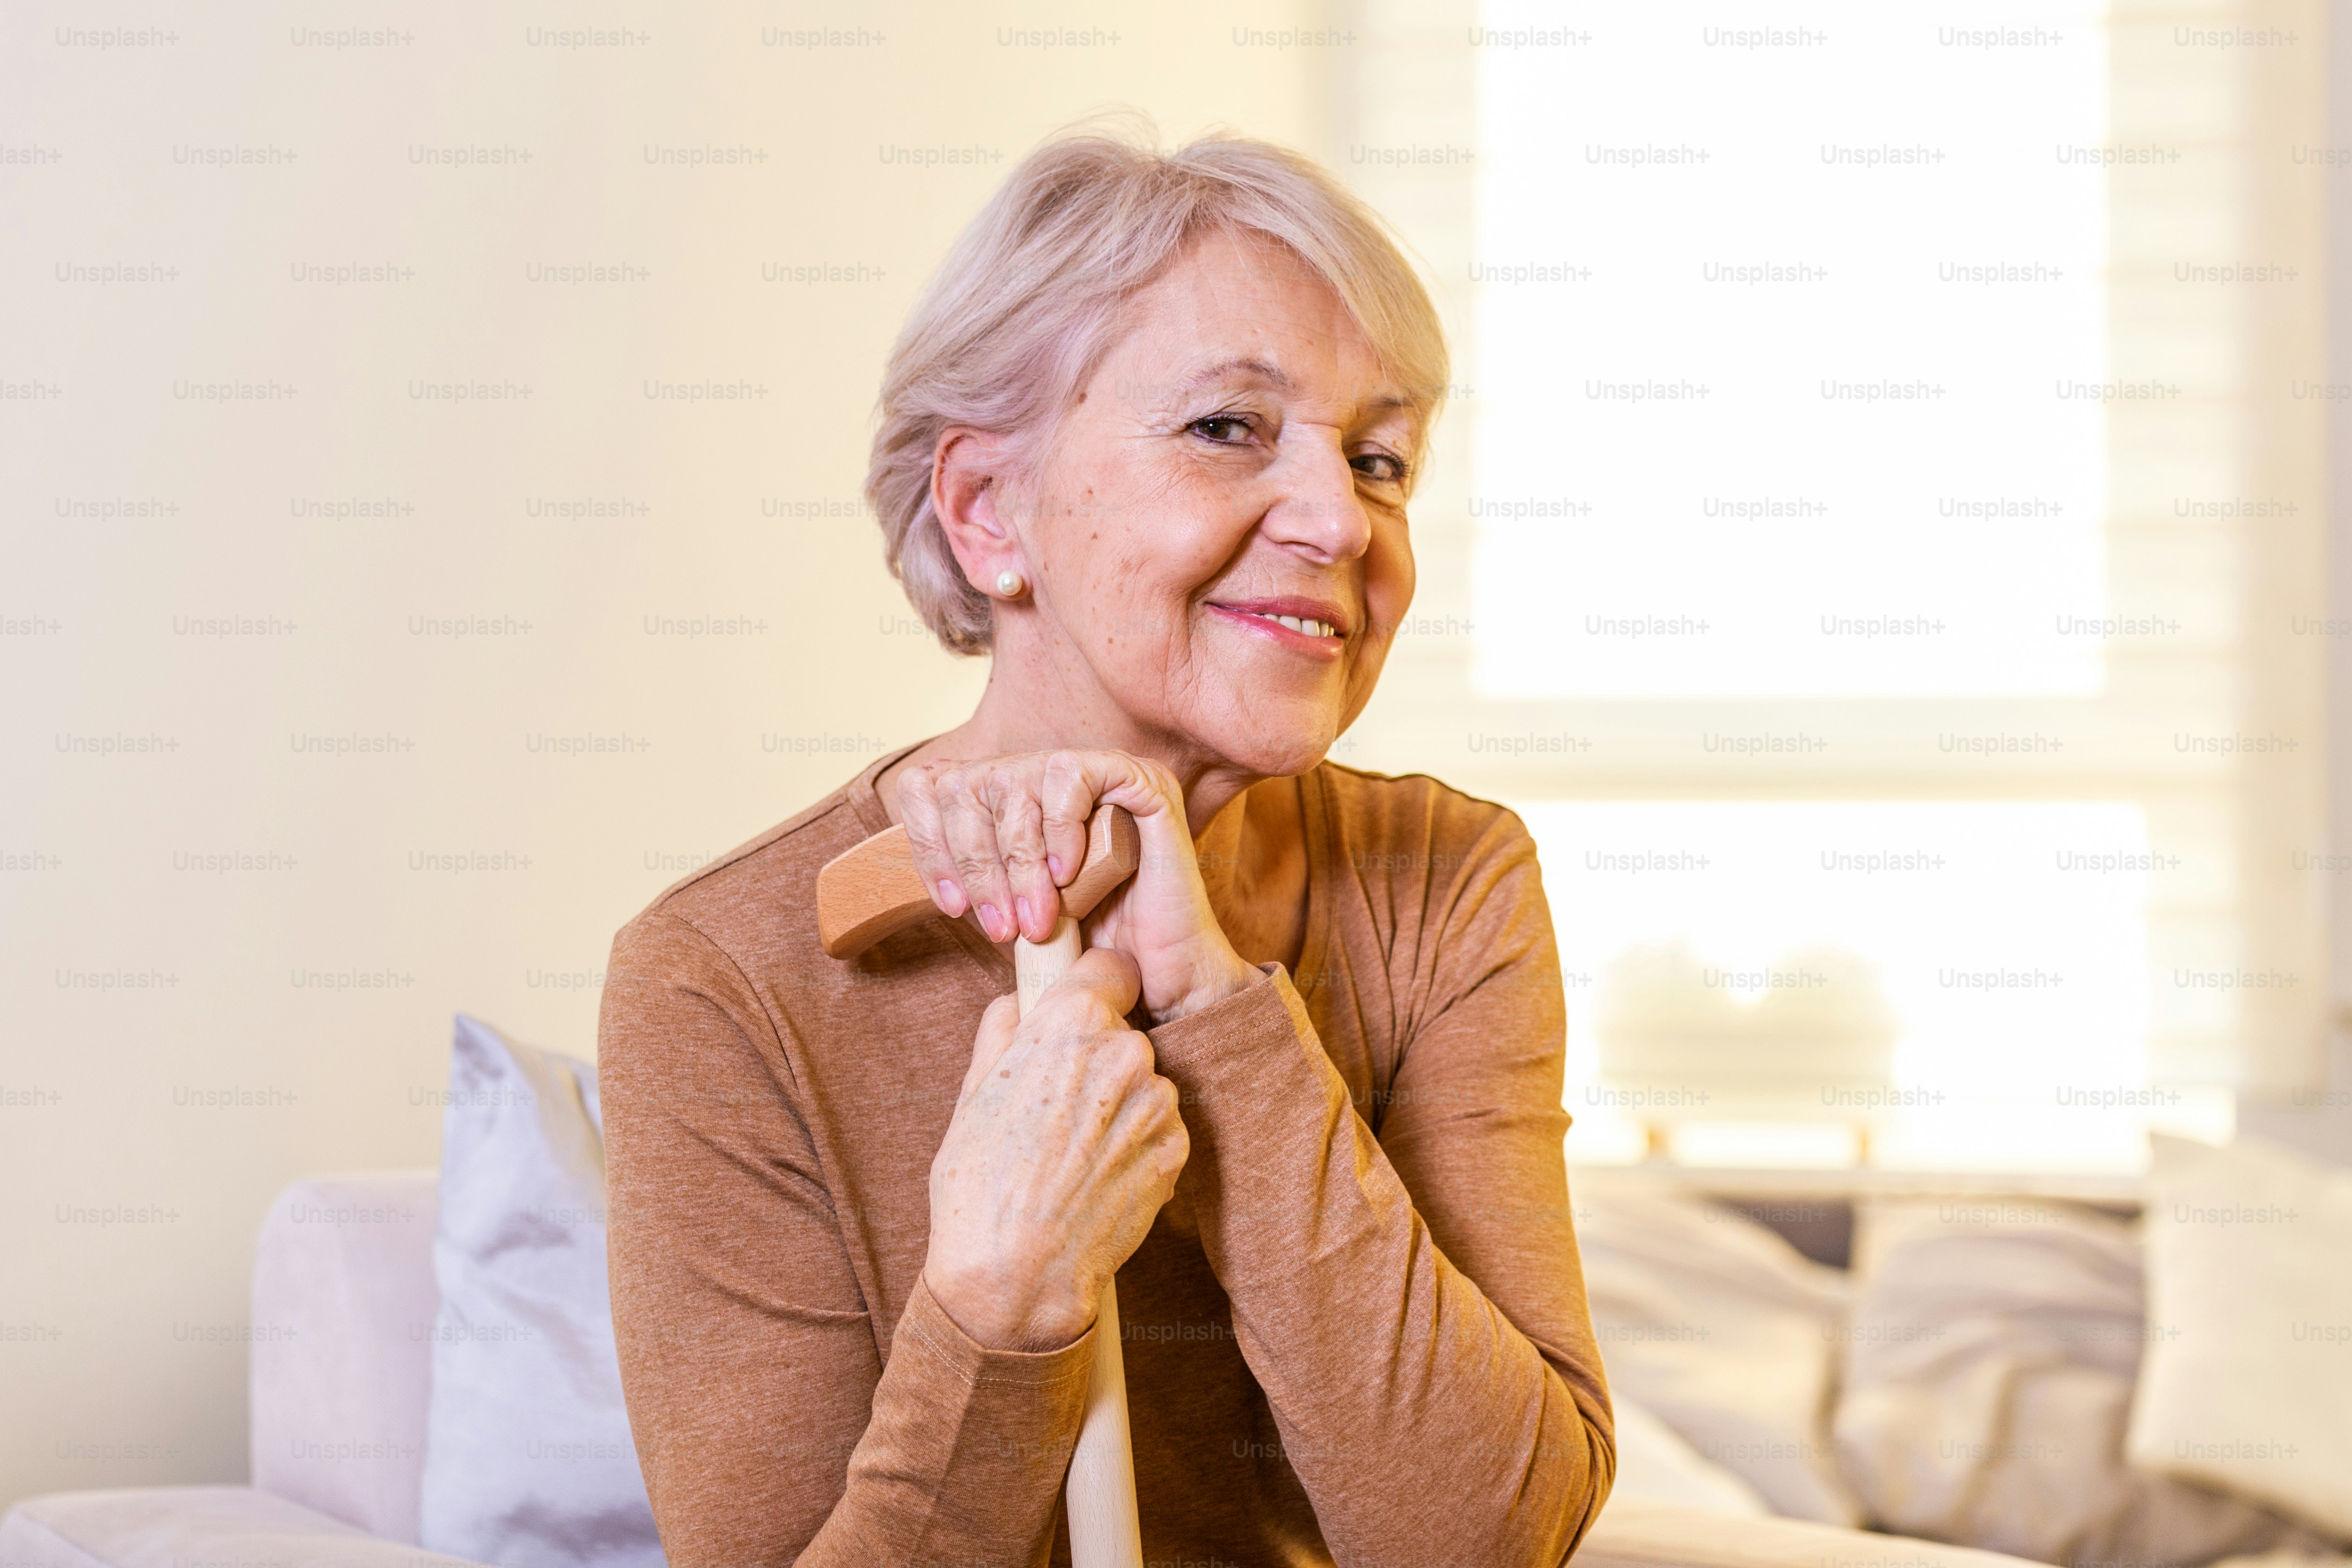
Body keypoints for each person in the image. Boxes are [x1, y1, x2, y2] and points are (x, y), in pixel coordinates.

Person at [598, 127, 1615, 1567]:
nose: (1340, 521)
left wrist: (1215, 1019)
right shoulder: (723, 976)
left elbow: (1486, 1540)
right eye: (1225, 428)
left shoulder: (1440, 883)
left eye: (1380, 459)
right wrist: (1002, 1303)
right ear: (987, 510)